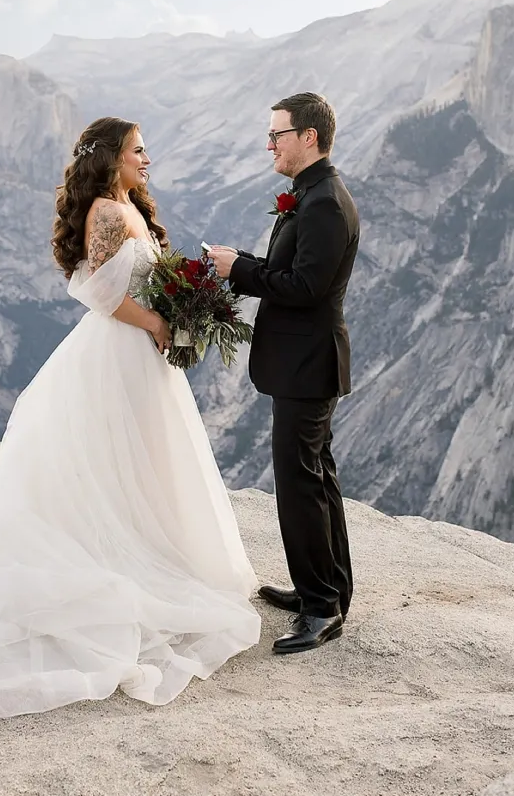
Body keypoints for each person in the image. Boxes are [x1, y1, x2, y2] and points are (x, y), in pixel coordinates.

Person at [0, 117, 260, 716]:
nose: (148, 158)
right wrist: (164, 323)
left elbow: (139, 283)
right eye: (139, 150)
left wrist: (179, 309)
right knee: (115, 460)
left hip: (141, 358)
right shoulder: (108, 215)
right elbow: (108, 297)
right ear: (112, 158)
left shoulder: (127, 205)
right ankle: (118, 557)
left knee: (144, 459)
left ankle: (149, 549)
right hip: (118, 355)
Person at [210, 93, 359, 655]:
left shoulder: (322, 202)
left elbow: (306, 288)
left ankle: (321, 608)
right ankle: (327, 590)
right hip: (305, 361)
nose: (269, 144)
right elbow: (293, 271)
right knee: (316, 476)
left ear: (309, 138)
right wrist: (242, 262)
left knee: (300, 484)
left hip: (307, 363)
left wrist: (240, 271)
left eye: (277, 134)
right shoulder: (312, 195)